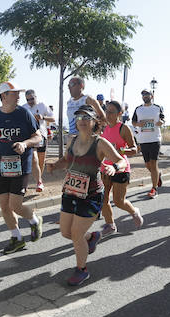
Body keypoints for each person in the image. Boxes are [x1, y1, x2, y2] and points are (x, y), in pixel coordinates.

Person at [46, 105, 128, 286]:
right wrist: (55, 165)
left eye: (86, 117)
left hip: (91, 195)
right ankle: (91, 237)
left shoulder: (100, 143)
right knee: (66, 232)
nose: (82, 120)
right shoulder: (72, 140)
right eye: (79, 117)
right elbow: (66, 160)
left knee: (76, 233)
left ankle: (82, 270)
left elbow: (121, 160)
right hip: (70, 191)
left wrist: (114, 168)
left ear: (94, 122)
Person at [0, 81, 44, 254]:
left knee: (15, 205)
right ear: (4, 96)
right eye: (15, 93)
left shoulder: (24, 113)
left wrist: (24, 144)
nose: (19, 96)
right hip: (3, 167)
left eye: (18, 93)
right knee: (4, 206)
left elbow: (38, 137)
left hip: (21, 166)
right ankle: (17, 238)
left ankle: (34, 220)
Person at [99, 100, 143, 236]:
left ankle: (134, 211)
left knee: (118, 201)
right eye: (106, 111)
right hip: (105, 168)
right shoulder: (103, 128)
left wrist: (122, 150)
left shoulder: (123, 128)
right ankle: (110, 225)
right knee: (103, 199)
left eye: (111, 112)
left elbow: (134, 149)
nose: (108, 114)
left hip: (121, 168)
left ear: (119, 113)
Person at [132, 89, 165, 198]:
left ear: (152, 96)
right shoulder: (138, 109)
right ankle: (158, 174)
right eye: (143, 95)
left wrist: (161, 122)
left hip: (155, 139)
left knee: (153, 163)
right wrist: (138, 124)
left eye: (147, 94)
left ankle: (154, 189)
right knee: (147, 164)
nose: (145, 96)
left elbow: (163, 119)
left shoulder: (157, 107)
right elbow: (133, 122)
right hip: (143, 140)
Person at [23, 89, 55, 192]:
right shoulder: (24, 108)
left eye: (32, 99)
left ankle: (39, 180)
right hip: (30, 138)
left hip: (42, 136)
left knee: (41, 161)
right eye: (28, 99)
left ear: (36, 97)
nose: (30, 101)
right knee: (33, 159)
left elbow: (53, 119)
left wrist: (43, 117)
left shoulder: (42, 105)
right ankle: (35, 182)